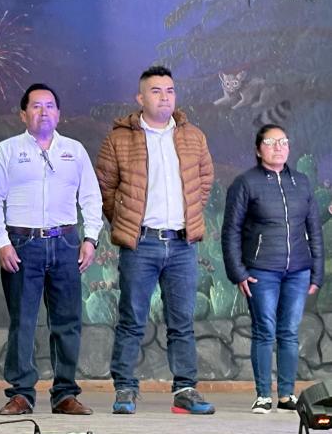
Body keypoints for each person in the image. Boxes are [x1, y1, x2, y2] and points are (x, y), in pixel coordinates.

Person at [95, 66, 215, 415]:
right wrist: (126, 222)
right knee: (132, 318)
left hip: (182, 244)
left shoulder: (193, 136)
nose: (165, 97)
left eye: (170, 90)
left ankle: (185, 390)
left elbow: (204, 182)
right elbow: (105, 187)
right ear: (140, 97)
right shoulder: (119, 138)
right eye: (156, 91)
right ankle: (125, 389)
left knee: (182, 322)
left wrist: (189, 216)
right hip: (141, 243)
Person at [0, 83, 102, 416]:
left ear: (58, 113)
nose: (43, 112)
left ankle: (65, 394)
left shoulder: (74, 151)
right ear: (23, 114)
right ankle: (21, 394)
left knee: (67, 321)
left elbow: (91, 197)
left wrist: (91, 238)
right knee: (22, 321)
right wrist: (1, 242)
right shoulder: (7, 150)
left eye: (49, 106)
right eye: (36, 106)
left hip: (66, 243)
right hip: (22, 244)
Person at [221, 124, 324, 414]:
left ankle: (287, 395)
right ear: (258, 150)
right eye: (270, 142)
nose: (278, 147)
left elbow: (314, 229)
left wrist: (316, 271)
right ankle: (264, 395)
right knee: (265, 331)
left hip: (298, 271)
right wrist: (238, 272)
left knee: (289, 332)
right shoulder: (245, 183)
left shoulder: (301, 182)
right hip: (261, 271)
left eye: (283, 142)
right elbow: (230, 231)